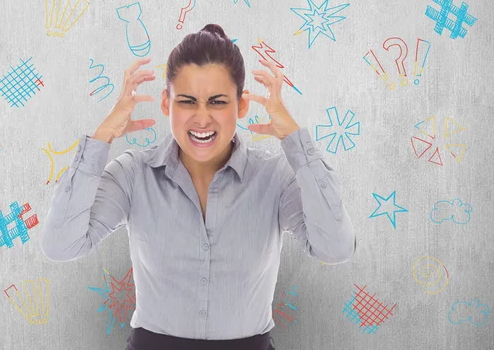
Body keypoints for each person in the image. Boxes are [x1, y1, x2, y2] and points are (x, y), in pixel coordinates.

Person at [40, 24, 357, 350]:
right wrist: (102, 135)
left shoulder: (275, 177)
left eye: (218, 102)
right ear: (167, 104)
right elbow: (60, 245)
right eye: (188, 101)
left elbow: (335, 248)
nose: (202, 119)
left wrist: (295, 141)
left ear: (241, 105)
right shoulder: (135, 173)